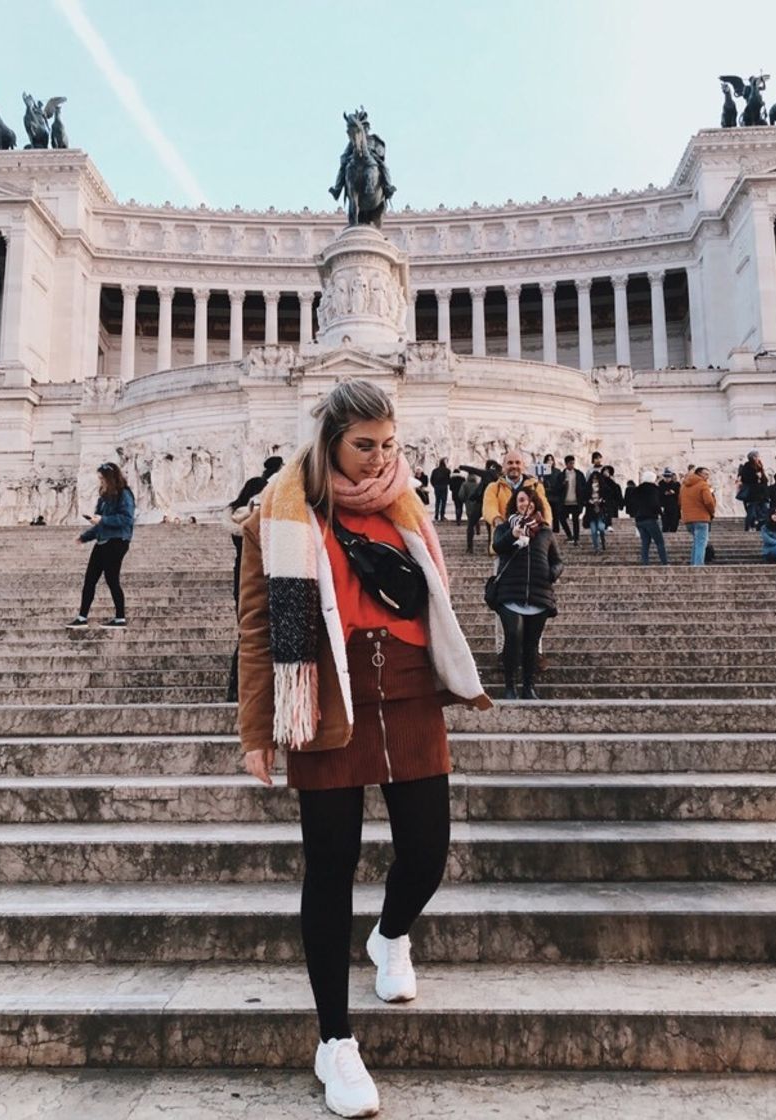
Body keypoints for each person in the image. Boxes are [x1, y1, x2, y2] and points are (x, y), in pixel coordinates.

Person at [238, 379, 490, 1119]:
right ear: (331, 441)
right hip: (325, 699)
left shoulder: (406, 502)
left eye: (389, 443)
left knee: (429, 851)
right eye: (365, 446)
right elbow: (257, 631)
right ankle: (335, 1041)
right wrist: (258, 729)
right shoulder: (279, 514)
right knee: (330, 866)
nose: (380, 458)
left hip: (408, 691)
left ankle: (389, 935)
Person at [491, 485, 562, 700]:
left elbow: (557, 560)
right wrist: (512, 535)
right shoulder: (504, 528)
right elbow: (497, 547)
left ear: (535, 505)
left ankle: (528, 687)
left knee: (532, 643)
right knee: (513, 636)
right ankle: (510, 686)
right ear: (515, 503)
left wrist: (552, 573)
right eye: (521, 500)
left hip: (538, 593)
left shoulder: (546, 532)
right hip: (510, 592)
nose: (525, 504)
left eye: (529, 501)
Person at [225, 457, 284, 704]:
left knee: (248, 632)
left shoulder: (234, 518)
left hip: (242, 576)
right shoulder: (257, 519)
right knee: (260, 632)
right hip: (263, 573)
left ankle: (236, 688)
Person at [66, 462, 135, 627]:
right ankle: (82, 617)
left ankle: (120, 618)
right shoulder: (103, 498)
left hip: (118, 541)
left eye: (102, 478)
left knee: (112, 579)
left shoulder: (124, 494)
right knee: (90, 579)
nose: (100, 482)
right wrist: (84, 537)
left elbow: (126, 519)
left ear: (110, 478)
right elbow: (99, 524)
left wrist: (103, 519)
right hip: (103, 541)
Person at [483, 451, 552, 553]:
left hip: (532, 545)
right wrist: (498, 521)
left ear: (523, 466)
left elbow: (545, 508)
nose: (514, 466)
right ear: (503, 466)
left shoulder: (535, 486)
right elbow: (488, 507)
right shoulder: (493, 488)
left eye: (517, 462)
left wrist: (545, 528)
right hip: (504, 543)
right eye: (510, 463)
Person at [459, 461, 499, 554]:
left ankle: (469, 548)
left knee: (471, 525)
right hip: (490, 504)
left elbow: (473, 470)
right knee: (490, 528)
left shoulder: (486, 473)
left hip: (480, 503)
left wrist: (462, 467)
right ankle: (490, 548)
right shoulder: (498, 475)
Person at [679, 466, 716, 567]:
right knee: (701, 543)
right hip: (701, 518)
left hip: (688, 519)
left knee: (697, 542)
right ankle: (698, 565)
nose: (707, 476)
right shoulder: (703, 485)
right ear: (699, 473)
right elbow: (708, 501)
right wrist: (712, 512)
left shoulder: (684, 486)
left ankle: (693, 563)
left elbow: (679, 501)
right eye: (706, 474)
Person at [632, 470, 668, 565]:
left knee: (645, 543)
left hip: (639, 519)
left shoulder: (637, 489)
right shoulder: (653, 489)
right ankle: (664, 562)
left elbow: (632, 504)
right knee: (659, 542)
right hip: (650, 518)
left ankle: (645, 563)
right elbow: (654, 503)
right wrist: (661, 512)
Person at [553, 455, 586, 546]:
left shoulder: (579, 474)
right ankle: (569, 535)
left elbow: (584, 487)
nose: (572, 465)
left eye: (573, 463)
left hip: (576, 501)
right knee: (562, 518)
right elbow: (556, 489)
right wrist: (563, 484)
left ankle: (576, 538)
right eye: (570, 463)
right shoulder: (561, 475)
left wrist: (583, 501)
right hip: (564, 502)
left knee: (576, 520)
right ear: (566, 464)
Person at [738, 450, 769, 531]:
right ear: (754, 457)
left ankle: (760, 527)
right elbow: (746, 479)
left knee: (764, 511)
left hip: (762, 493)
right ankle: (748, 527)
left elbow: (764, 480)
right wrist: (756, 477)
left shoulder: (760, 466)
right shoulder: (747, 467)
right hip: (752, 494)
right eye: (758, 456)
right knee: (751, 511)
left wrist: (761, 478)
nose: (759, 458)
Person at [582, 469, 609, 554]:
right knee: (593, 531)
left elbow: (608, 496)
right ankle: (596, 548)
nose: (595, 481)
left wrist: (602, 500)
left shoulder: (603, 488)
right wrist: (588, 501)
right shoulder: (587, 488)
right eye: (593, 479)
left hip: (600, 510)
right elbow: (584, 498)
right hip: (591, 511)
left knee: (601, 528)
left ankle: (603, 540)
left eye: (596, 479)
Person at [538, 454, 564, 532]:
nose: (549, 462)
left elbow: (560, 484)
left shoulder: (557, 471)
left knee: (556, 514)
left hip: (555, 496)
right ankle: (546, 529)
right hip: (546, 496)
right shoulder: (542, 472)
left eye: (551, 460)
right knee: (546, 513)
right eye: (547, 460)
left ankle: (556, 530)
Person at [659, 469, 681, 533]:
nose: (667, 479)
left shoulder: (676, 484)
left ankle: (672, 530)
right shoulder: (661, 484)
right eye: (666, 477)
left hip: (674, 506)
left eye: (668, 477)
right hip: (664, 505)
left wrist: (674, 493)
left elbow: (679, 494)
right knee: (665, 521)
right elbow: (659, 495)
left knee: (674, 521)